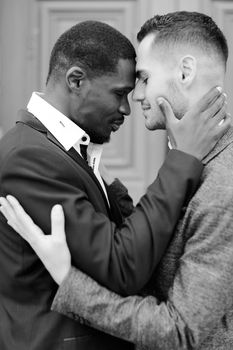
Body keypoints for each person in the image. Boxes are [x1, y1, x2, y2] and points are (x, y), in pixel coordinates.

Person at [0, 18, 230, 350]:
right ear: (76, 80)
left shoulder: (222, 182)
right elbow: (125, 266)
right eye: (122, 91)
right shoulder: (32, 156)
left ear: (184, 73)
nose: (132, 102)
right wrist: (180, 159)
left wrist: (69, 278)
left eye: (143, 79)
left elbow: (181, 327)